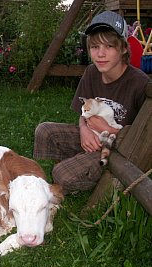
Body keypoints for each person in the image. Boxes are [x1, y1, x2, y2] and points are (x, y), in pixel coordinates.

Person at [33, 11, 150, 195]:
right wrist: (84, 129)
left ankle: (83, 173)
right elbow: (83, 114)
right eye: (95, 47)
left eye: (109, 46)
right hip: (93, 135)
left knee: (61, 175)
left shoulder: (140, 84)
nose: (101, 54)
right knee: (44, 131)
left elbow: (144, 138)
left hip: (115, 149)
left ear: (123, 48)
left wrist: (109, 130)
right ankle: (77, 164)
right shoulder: (91, 72)